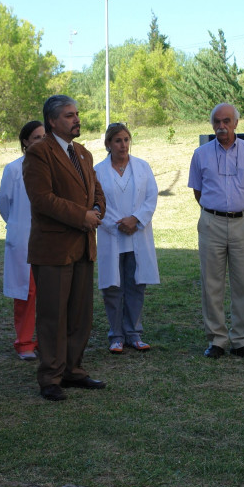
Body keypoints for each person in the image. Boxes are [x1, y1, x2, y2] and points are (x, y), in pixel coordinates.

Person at [23, 95, 106, 401]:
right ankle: (50, 377)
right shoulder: (39, 153)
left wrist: (97, 209)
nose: (76, 119)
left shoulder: (83, 153)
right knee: (53, 316)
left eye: (77, 114)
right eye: (70, 115)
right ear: (53, 121)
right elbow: (42, 199)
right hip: (53, 248)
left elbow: (96, 190)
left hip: (84, 245)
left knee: (80, 315)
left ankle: (73, 369)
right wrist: (81, 216)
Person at [188, 103, 244, 360]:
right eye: (217, 122)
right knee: (212, 283)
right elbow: (198, 191)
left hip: (243, 222)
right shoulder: (200, 154)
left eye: (227, 121)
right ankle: (217, 340)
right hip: (211, 222)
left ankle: (241, 339)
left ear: (236, 123)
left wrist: (236, 208)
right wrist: (218, 210)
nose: (222, 126)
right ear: (212, 124)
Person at [95, 123, 160, 354]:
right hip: (111, 235)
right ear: (108, 144)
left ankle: (133, 332)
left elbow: (151, 198)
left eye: (126, 140)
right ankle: (116, 335)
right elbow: (96, 203)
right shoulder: (98, 171)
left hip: (137, 234)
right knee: (113, 286)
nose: (123, 145)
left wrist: (136, 219)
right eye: (117, 141)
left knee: (136, 283)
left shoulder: (142, 167)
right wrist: (119, 224)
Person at [0, 120, 45, 361]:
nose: (41, 141)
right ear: (25, 141)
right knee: (27, 292)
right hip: (23, 239)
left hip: (48, 239)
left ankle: (47, 341)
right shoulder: (14, 169)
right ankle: (25, 342)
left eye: (44, 137)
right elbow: (4, 205)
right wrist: (18, 225)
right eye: (36, 137)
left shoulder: (52, 168)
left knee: (49, 291)